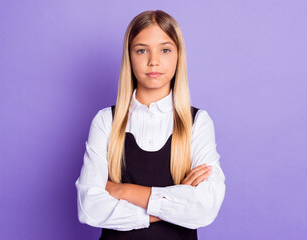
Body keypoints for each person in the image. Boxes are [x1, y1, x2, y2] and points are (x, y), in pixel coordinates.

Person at [75, 10, 226, 240]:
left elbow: (204, 208)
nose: (153, 60)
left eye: (165, 50)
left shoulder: (198, 123)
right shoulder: (107, 121)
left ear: (178, 55)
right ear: (130, 56)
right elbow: (89, 208)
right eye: (142, 50)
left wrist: (123, 191)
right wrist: (173, 203)